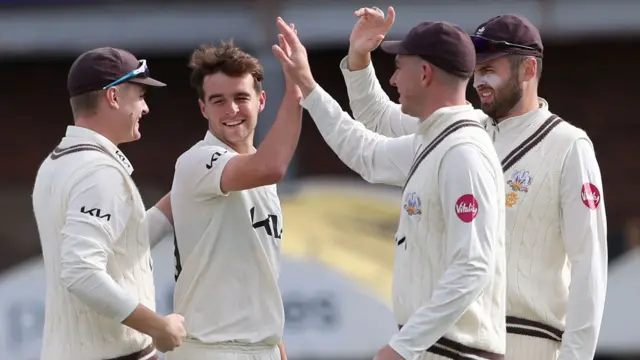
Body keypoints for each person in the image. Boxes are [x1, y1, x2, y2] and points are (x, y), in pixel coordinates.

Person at [341, 8, 608, 360]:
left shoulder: (569, 146)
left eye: (489, 70)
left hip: (531, 342)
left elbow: (590, 267)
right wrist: (359, 56)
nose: (478, 81)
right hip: (456, 341)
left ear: (529, 69)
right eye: (475, 70)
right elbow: (378, 118)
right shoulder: (460, 129)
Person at [273, 17, 506, 360]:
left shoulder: (462, 153)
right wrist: (308, 86)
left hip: (456, 351)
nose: (394, 79)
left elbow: (473, 266)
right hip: (437, 348)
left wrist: (404, 346)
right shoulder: (435, 141)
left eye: (399, 68)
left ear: (425, 73)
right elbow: (364, 152)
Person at [32, 47, 186, 360]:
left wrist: (186, 194)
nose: (145, 108)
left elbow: (124, 244)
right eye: (140, 95)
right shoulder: (99, 172)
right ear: (113, 97)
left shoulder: (56, 162)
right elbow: (81, 272)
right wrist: (157, 326)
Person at [167, 38, 302, 360]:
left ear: (261, 101)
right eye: (218, 100)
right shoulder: (198, 161)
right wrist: (297, 89)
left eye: (241, 97)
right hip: (211, 349)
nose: (231, 110)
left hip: (260, 347)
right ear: (203, 108)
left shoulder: (256, 171)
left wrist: (275, 345)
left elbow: (259, 273)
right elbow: (272, 166)